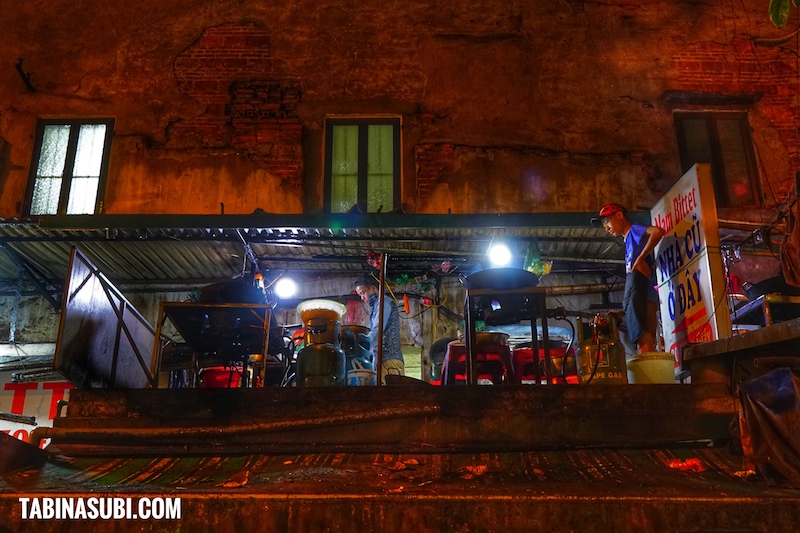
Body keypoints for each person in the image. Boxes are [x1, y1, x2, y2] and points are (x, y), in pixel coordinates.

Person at [596, 203, 664, 354]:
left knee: (643, 342)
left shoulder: (634, 230)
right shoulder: (628, 241)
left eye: (607, 221)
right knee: (644, 343)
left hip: (643, 293)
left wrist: (641, 258)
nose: (606, 228)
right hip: (640, 294)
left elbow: (658, 232)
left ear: (619, 215)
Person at [354, 275, 404, 383]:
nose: (362, 298)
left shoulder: (384, 303)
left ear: (373, 288)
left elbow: (377, 329)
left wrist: (362, 345)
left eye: (363, 293)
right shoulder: (376, 307)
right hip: (381, 361)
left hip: (389, 360)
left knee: (390, 397)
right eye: (360, 295)